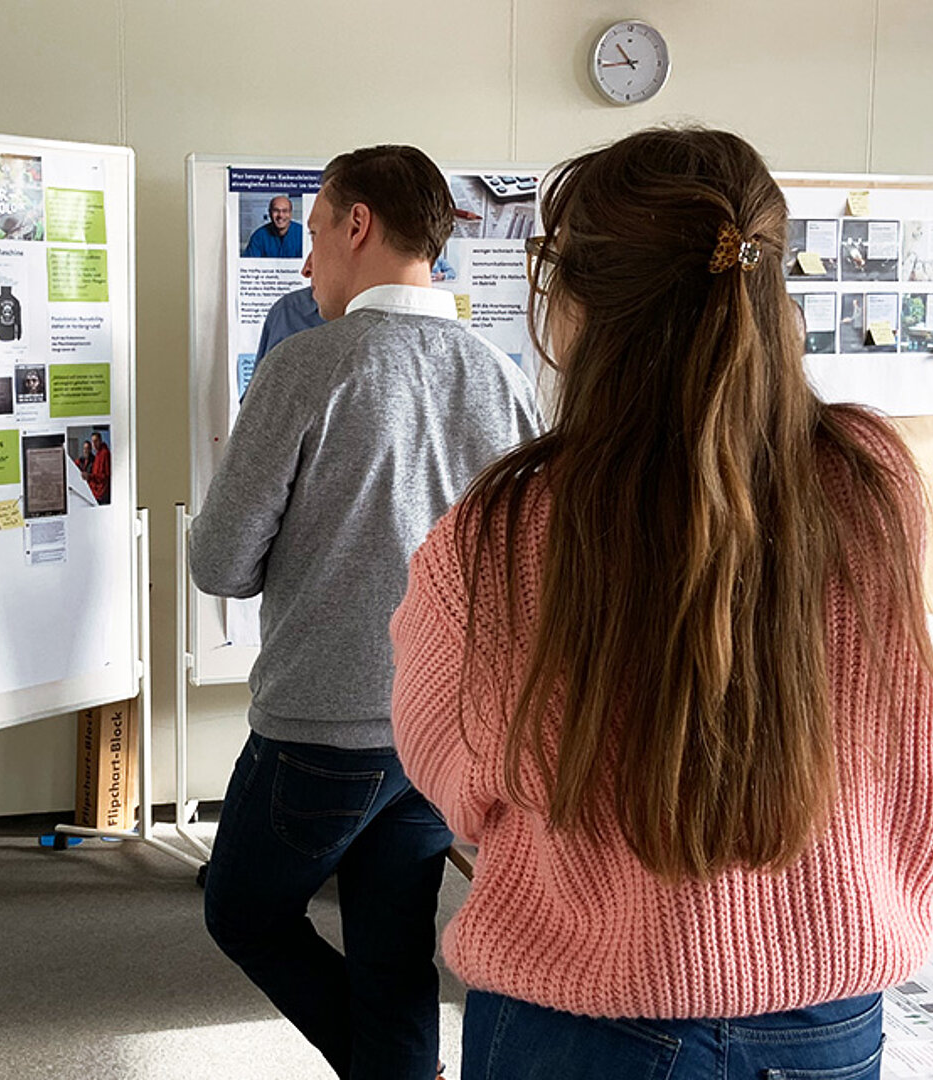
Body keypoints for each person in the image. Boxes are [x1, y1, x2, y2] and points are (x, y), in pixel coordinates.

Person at [389, 127, 933, 1080]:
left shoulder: (508, 525)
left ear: (574, 307)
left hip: (576, 1015)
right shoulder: (871, 481)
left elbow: (456, 777)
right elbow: (902, 739)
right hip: (824, 1018)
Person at [190, 144, 542, 1080]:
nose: (305, 264)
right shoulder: (503, 378)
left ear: (358, 226)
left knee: (242, 911)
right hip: (449, 724)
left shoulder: (308, 366)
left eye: (312, 234)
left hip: (323, 726)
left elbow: (218, 562)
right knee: (393, 949)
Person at [243, 194, 304, 258]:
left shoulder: (302, 234)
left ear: (290, 213)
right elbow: (250, 264)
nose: (280, 215)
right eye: (276, 210)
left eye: (285, 211)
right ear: (269, 213)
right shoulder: (258, 237)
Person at [85, 430, 111, 504]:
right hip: (97, 491)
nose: (94, 444)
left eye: (96, 441)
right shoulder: (97, 454)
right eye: (93, 442)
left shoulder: (105, 454)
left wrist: (90, 476)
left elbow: (105, 475)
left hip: (102, 493)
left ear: (100, 441)